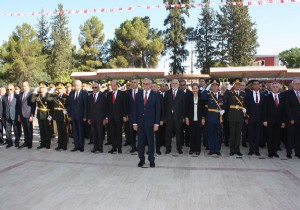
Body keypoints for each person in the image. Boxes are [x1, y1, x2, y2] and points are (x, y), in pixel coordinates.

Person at [133, 78, 160, 168]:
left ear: (151, 85)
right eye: (144, 84)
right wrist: (135, 123)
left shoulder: (155, 95)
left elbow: (158, 110)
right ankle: (141, 160)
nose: (146, 85)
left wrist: (156, 124)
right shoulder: (138, 94)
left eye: (148, 84)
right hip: (140, 124)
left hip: (151, 124)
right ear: (142, 85)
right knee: (140, 143)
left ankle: (151, 160)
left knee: (151, 143)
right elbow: (135, 110)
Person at [201, 79, 225, 155]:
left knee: (218, 134)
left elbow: (225, 104)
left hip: (218, 117)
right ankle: (211, 149)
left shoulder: (221, 96)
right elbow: (202, 97)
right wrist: (207, 88)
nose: (214, 87)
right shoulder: (208, 95)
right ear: (211, 87)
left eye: (216, 85)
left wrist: (224, 110)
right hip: (210, 117)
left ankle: (217, 149)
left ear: (218, 87)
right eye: (213, 85)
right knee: (210, 134)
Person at [262, 82, 285, 158]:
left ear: (279, 88)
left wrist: (283, 121)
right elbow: (264, 110)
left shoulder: (281, 97)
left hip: (278, 121)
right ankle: (270, 152)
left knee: (277, 137)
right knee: (270, 137)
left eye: (276, 87)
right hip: (269, 121)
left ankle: (275, 151)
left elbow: (283, 111)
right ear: (271, 88)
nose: (275, 88)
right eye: (273, 87)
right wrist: (264, 120)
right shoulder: (267, 97)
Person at [223, 79, 246, 156]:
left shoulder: (243, 94)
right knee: (232, 133)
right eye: (236, 84)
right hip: (232, 115)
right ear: (234, 85)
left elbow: (245, 103)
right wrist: (229, 88)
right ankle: (232, 150)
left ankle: (237, 149)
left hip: (240, 115)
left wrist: (245, 109)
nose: (237, 86)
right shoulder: (230, 93)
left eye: (238, 84)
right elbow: (224, 98)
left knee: (238, 134)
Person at [164, 79, 186, 154]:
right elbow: (165, 106)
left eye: (176, 83)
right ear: (171, 84)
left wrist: (183, 117)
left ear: (178, 84)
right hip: (169, 117)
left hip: (178, 117)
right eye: (173, 83)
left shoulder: (182, 93)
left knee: (179, 133)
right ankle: (168, 148)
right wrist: (164, 117)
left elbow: (184, 106)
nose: (174, 84)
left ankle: (179, 148)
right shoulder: (167, 93)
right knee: (168, 134)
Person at [244, 80, 265, 156]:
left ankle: (257, 150)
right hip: (251, 118)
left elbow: (264, 108)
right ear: (252, 86)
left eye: (258, 84)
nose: (256, 85)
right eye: (255, 84)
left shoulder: (263, 95)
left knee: (258, 134)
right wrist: (246, 117)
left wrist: (264, 119)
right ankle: (251, 149)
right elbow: (245, 106)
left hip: (259, 118)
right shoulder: (248, 94)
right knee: (251, 134)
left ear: (259, 86)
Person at [106, 80, 127, 154]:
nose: (113, 87)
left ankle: (119, 147)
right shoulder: (108, 94)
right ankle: (113, 147)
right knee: (112, 132)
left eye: (114, 85)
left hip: (119, 117)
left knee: (118, 132)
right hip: (111, 117)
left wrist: (124, 115)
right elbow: (107, 107)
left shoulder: (122, 94)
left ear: (117, 86)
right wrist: (107, 117)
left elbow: (124, 105)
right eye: (111, 85)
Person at [31, 81, 53, 149]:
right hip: (40, 114)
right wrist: (34, 92)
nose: (41, 89)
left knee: (47, 130)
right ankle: (42, 143)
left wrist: (51, 115)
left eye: (43, 87)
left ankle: (47, 144)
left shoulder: (49, 95)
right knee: (41, 130)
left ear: (46, 88)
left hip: (47, 114)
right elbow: (32, 101)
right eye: (40, 88)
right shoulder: (38, 95)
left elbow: (52, 106)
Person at [67, 80, 88, 152]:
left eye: (77, 85)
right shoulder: (71, 93)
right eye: (75, 85)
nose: (76, 86)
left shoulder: (84, 93)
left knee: (81, 131)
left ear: (80, 85)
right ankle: (76, 146)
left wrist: (85, 116)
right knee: (75, 132)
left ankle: (81, 146)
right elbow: (69, 105)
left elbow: (85, 106)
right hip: (73, 116)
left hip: (81, 116)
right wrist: (69, 115)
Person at [185, 83, 205, 155]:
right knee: (192, 135)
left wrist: (203, 118)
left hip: (199, 119)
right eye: (193, 88)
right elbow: (186, 108)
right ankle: (192, 149)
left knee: (198, 135)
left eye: (196, 88)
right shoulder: (189, 97)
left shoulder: (201, 97)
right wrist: (186, 118)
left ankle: (198, 149)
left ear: (198, 89)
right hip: (191, 119)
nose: (195, 90)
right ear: (192, 89)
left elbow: (203, 109)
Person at [88, 82, 107, 153]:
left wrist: (105, 118)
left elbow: (105, 108)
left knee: (100, 133)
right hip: (92, 118)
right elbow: (88, 108)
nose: (94, 89)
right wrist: (89, 118)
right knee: (94, 133)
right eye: (93, 87)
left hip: (100, 118)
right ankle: (95, 147)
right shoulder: (89, 96)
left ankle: (100, 147)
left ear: (98, 88)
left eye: (96, 87)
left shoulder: (103, 96)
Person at [17, 81, 36, 149]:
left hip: (28, 114)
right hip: (22, 114)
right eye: (23, 86)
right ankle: (26, 142)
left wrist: (31, 115)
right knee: (25, 129)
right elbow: (19, 105)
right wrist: (19, 115)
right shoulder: (21, 94)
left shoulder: (31, 94)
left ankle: (30, 143)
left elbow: (33, 106)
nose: (23, 87)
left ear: (28, 86)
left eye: (25, 86)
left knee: (29, 129)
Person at [285, 79, 300, 159]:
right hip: (292, 119)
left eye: (299, 84)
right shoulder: (288, 94)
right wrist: (291, 118)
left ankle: (298, 153)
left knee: (298, 137)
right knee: (290, 136)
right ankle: (289, 152)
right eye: (296, 84)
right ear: (293, 85)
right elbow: (287, 107)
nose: (297, 85)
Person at [52, 82, 69, 151]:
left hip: (64, 116)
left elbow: (68, 106)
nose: (59, 90)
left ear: (63, 88)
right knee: (59, 130)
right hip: (57, 115)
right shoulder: (55, 96)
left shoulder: (66, 96)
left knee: (64, 130)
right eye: (57, 89)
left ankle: (64, 145)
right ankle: (60, 144)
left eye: (60, 88)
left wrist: (67, 113)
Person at [2, 84, 20, 148]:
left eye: (11, 89)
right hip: (7, 116)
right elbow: (3, 108)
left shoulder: (17, 96)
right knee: (8, 131)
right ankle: (10, 142)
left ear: (14, 89)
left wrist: (18, 115)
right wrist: (2, 116)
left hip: (14, 116)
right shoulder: (4, 97)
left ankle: (17, 142)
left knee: (16, 130)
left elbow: (19, 107)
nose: (9, 90)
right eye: (8, 89)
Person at [126, 79, 141, 153]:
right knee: (131, 133)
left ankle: (140, 147)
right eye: (132, 82)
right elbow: (126, 105)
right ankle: (133, 147)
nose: (133, 84)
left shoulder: (142, 92)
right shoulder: (128, 93)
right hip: (131, 116)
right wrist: (126, 115)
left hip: (140, 116)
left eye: (135, 82)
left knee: (140, 133)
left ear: (137, 83)